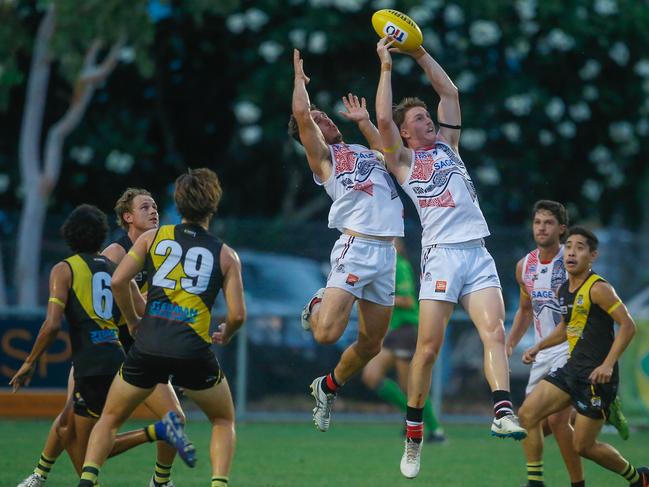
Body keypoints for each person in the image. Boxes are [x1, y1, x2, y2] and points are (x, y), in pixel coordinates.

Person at [374, 37, 525, 479]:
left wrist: (418, 53)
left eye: (427, 117)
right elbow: (383, 117)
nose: (429, 121)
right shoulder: (402, 161)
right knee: (427, 350)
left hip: (476, 253)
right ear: (407, 131)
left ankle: (501, 410)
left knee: (493, 332)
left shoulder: (448, 148)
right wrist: (385, 66)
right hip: (440, 258)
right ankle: (414, 432)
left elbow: (450, 94)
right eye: (420, 119)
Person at [77, 168, 245, 487]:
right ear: (213, 204)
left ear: (177, 204)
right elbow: (237, 315)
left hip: (148, 348)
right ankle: (218, 483)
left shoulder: (152, 237)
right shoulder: (226, 255)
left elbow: (117, 280)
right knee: (223, 420)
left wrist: (133, 320)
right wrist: (228, 332)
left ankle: (87, 480)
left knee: (110, 419)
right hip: (193, 351)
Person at [15, 189, 184, 487]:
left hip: (138, 351)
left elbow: (149, 305)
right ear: (127, 218)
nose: (154, 211)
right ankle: (40, 474)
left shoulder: (161, 251)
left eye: (155, 206)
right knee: (69, 424)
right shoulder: (113, 255)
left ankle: (160, 481)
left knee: (176, 419)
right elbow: (104, 301)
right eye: (145, 207)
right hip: (107, 346)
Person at [289, 49, 404, 432]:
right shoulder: (324, 159)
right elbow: (303, 117)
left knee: (371, 345)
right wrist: (300, 86)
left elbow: (391, 156)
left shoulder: (360, 150)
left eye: (325, 116)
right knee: (325, 334)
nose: (324, 120)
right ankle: (319, 300)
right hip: (356, 247)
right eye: (318, 120)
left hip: (386, 254)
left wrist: (367, 121)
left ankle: (328, 386)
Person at [519, 226, 648, 487]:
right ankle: (535, 483)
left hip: (596, 379)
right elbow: (567, 327)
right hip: (571, 370)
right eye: (568, 247)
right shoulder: (564, 289)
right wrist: (539, 346)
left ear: (592, 256)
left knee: (583, 446)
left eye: (580, 248)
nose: (572, 252)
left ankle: (639, 477)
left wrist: (608, 365)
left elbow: (628, 325)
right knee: (527, 414)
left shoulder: (599, 289)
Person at [505, 200, 583, 487]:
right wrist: (509, 343)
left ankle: (571, 483)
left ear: (562, 229)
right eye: (538, 222)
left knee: (557, 422)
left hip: (571, 349)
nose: (541, 227)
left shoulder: (572, 260)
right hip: (542, 353)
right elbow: (526, 309)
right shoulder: (524, 265)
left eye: (548, 222)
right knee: (530, 421)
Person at [361, 238, 444, 442]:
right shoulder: (382, 267)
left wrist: (378, 296)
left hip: (406, 331)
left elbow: (406, 300)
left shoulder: (401, 265)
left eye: (392, 240)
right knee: (371, 376)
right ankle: (412, 419)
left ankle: (435, 429)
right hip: (393, 333)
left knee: (409, 386)